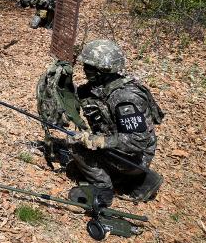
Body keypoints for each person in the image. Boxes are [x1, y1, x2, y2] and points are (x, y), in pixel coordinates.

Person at [66, 40, 164, 207]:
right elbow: (80, 96)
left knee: (76, 146)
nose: (84, 70)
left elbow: (137, 141)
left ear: (102, 70)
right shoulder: (100, 87)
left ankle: (103, 191)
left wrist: (100, 141)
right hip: (123, 151)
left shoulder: (125, 98)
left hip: (134, 157)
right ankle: (132, 179)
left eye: (89, 67)